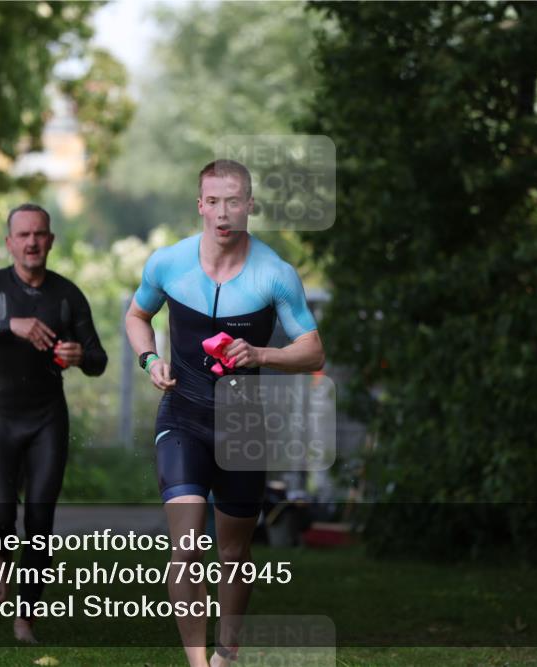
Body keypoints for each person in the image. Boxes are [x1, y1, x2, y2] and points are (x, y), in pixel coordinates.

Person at [125, 160, 325, 667]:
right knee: (186, 546)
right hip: (182, 417)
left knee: (233, 554)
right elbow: (137, 315)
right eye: (212, 201)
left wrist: (261, 355)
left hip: (242, 425)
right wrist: (150, 359)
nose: (222, 212)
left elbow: (313, 351)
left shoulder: (275, 274)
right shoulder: (168, 264)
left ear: (249, 205)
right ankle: (198, 665)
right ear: (199, 205)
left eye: (233, 201)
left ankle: (227, 655)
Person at [0, 203, 107, 643]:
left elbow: (98, 360)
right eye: (23, 235)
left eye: (40, 234)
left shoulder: (68, 295)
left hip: (46, 421)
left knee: (39, 520)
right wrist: (5, 326)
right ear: (9, 242)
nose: (32, 242)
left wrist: (79, 356)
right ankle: (2, 556)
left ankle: (25, 620)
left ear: (51, 240)